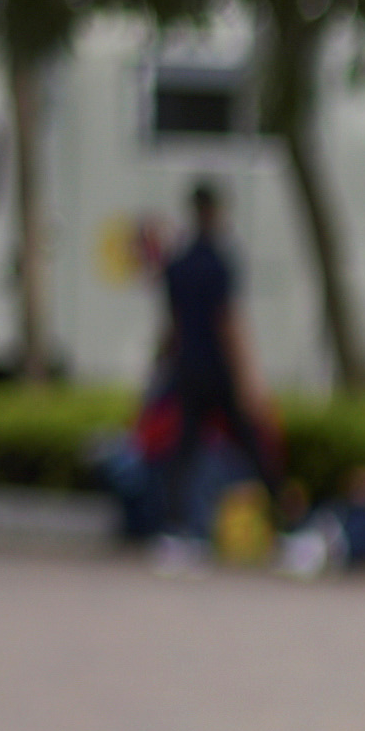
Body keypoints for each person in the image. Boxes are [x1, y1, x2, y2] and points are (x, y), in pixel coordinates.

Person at [120, 181, 279, 558]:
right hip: (217, 369)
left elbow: (171, 324)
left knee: (184, 448)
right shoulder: (220, 260)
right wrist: (248, 378)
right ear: (214, 212)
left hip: (187, 368)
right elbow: (228, 322)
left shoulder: (179, 263)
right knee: (253, 443)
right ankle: (281, 522)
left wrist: (159, 368)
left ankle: (176, 530)